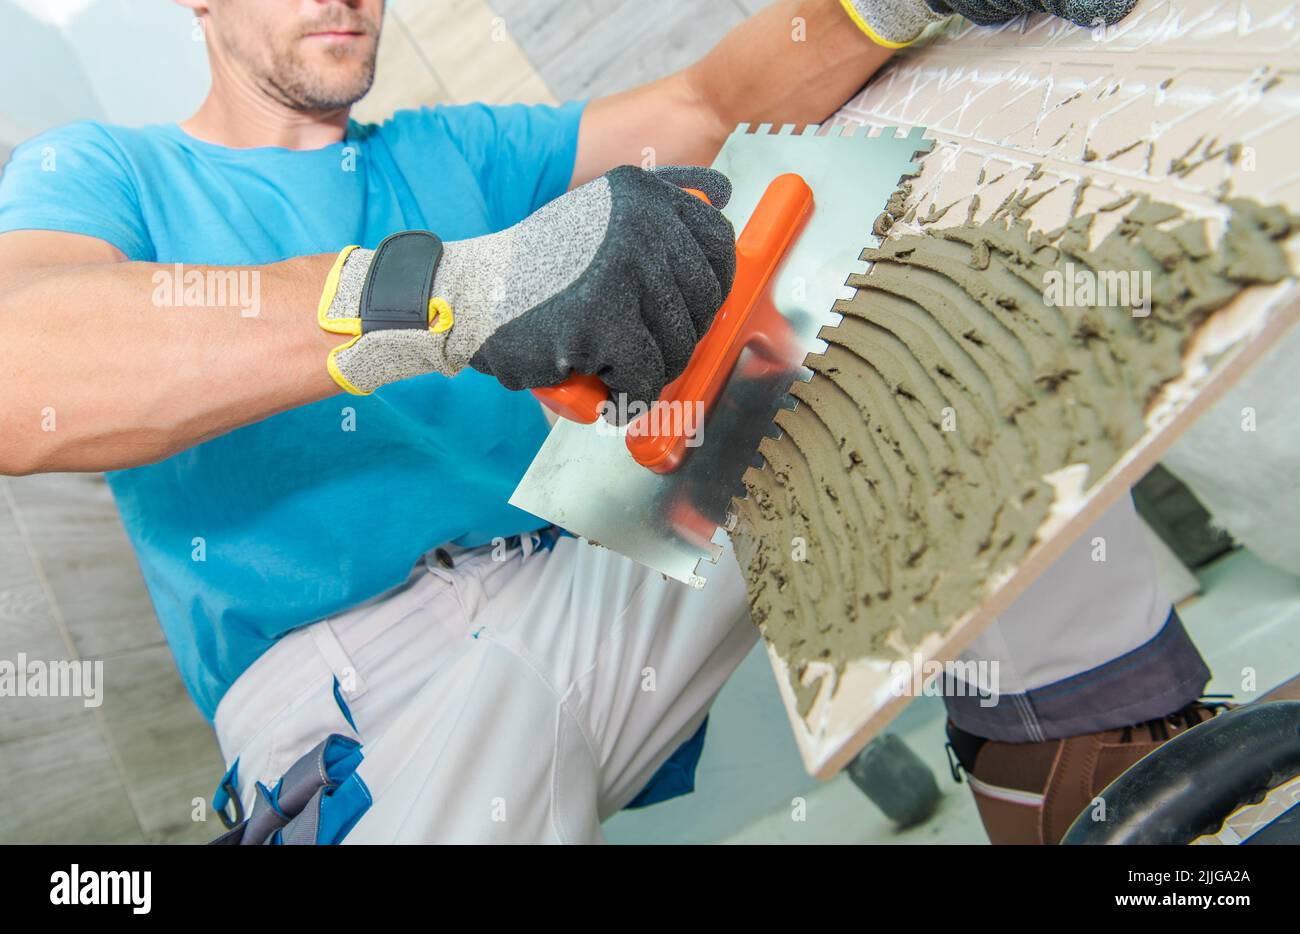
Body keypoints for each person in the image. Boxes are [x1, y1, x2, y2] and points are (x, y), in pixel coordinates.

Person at [0, 0, 1213, 844]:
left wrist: (884, 6)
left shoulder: (452, 146)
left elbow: (706, 100)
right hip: (348, 699)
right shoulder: (106, 171)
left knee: (915, 370)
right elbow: (20, 371)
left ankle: (1127, 807)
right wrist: (455, 291)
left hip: (588, 572)